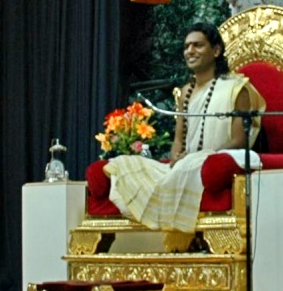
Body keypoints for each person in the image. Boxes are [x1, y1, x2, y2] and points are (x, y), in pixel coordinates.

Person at [106, 22, 265, 233]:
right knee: (122, 164)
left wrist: (203, 158)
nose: (190, 51)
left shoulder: (236, 88)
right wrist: (175, 157)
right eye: (187, 46)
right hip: (187, 164)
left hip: (212, 161)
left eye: (198, 45)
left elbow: (239, 140)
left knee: (185, 167)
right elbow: (179, 140)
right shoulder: (186, 92)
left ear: (216, 50)